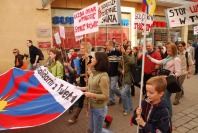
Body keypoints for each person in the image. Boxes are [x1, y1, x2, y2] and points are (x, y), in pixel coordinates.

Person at [78, 52, 112, 133]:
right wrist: (80, 88)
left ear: (99, 61)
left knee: (96, 131)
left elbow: (106, 96)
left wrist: (91, 95)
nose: (91, 59)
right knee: (93, 130)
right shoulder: (93, 73)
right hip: (93, 106)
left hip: (99, 109)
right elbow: (91, 87)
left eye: (93, 58)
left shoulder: (103, 77)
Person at [147, 43, 181, 117]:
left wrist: (170, 76)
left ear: (174, 50)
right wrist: (150, 58)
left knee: (166, 98)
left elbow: (178, 72)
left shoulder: (176, 59)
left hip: (169, 81)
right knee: (163, 98)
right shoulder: (168, 57)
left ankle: (169, 115)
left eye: (169, 51)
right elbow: (159, 62)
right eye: (167, 50)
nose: (167, 52)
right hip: (163, 80)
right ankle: (164, 113)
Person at [68, 42, 92, 124]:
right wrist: (76, 70)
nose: (81, 50)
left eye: (82, 48)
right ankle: (75, 116)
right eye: (80, 48)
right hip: (82, 81)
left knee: (92, 102)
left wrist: (88, 76)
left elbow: (92, 71)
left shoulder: (91, 58)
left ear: (87, 49)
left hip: (89, 82)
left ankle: (107, 119)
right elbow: (80, 71)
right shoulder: (81, 59)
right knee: (81, 99)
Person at [118, 45, 135, 115]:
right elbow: (118, 67)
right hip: (123, 78)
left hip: (129, 78)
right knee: (127, 93)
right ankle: (130, 106)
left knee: (123, 93)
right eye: (127, 49)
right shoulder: (121, 57)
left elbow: (132, 62)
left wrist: (125, 53)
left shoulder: (131, 56)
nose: (128, 50)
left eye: (129, 49)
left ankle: (126, 109)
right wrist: (121, 70)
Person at [105, 41, 122, 106]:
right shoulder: (108, 53)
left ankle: (121, 96)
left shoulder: (117, 52)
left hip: (115, 73)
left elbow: (120, 64)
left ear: (110, 45)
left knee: (113, 87)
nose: (106, 47)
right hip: (109, 72)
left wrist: (118, 73)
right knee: (110, 87)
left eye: (106, 45)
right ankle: (112, 100)